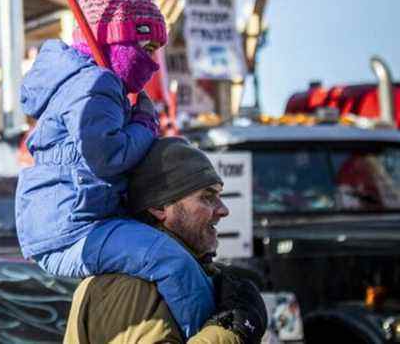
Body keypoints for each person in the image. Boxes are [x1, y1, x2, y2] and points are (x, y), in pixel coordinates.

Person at [16, 0, 215, 337]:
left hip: (68, 224)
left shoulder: (78, 82)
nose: (153, 63)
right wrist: (144, 122)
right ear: (119, 41)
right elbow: (107, 157)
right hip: (76, 232)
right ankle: (209, 331)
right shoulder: (96, 83)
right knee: (172, 262)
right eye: (148, 48)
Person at [64, 137, 268, 344]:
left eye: (218, 196)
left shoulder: (168, 276)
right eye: (207, 197)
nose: (223, 210)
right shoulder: (133, 284)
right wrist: (232, 332)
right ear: (160, 208)